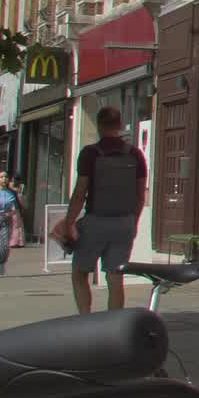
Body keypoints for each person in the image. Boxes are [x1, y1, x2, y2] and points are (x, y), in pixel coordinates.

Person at [51, 107, 148, 314]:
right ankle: (113, 322)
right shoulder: (135, 154)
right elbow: (140, 196)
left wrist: (69, 222)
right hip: (124, 223)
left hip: (95, 221)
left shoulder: (90, 154)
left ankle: (86, 318)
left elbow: (80, 193)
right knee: (115, 277)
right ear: (120, 125)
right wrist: (134, 222)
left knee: (80, 273)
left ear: (99, 125)